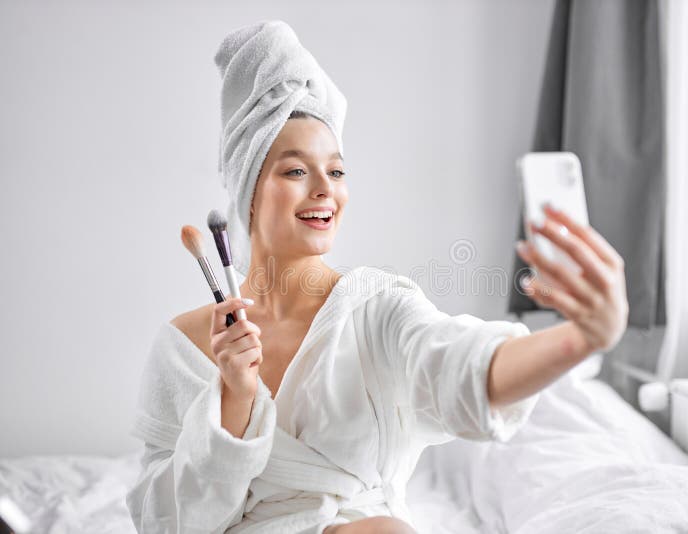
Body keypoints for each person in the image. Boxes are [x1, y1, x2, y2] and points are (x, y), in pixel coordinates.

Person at [125, 20, 628, 534]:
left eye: (337, 171)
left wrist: (580, 339)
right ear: (248, 191)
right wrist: (231, 399)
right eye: (296, 171)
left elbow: (466, 367)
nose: (325, 188)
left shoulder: (375, 309)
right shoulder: (182, 349)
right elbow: (164, 523)